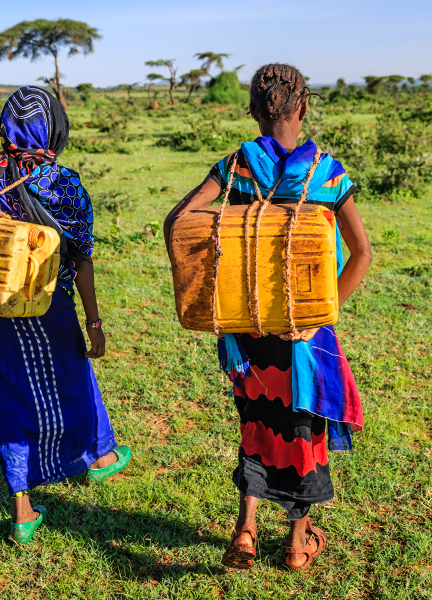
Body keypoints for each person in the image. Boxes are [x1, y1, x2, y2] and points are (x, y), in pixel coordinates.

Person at [164, 64, 372, 571]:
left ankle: (246, 532)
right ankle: (299, 544)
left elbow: (177, 222)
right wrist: (320, 313)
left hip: (246, 332)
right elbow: (362, 254)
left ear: (254, 113)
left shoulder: (237, 167)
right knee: (304, 430)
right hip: (305, 337)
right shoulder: (327, 173)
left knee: (256, 425)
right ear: (303, 107)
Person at [0, 86, 131, 544]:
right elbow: (83, 258)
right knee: (73, 379)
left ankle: (22, 508)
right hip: (52, 303)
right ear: (53, 126)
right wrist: (94, 322)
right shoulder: (64, 183)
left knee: (11, 394)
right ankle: (99, 458)